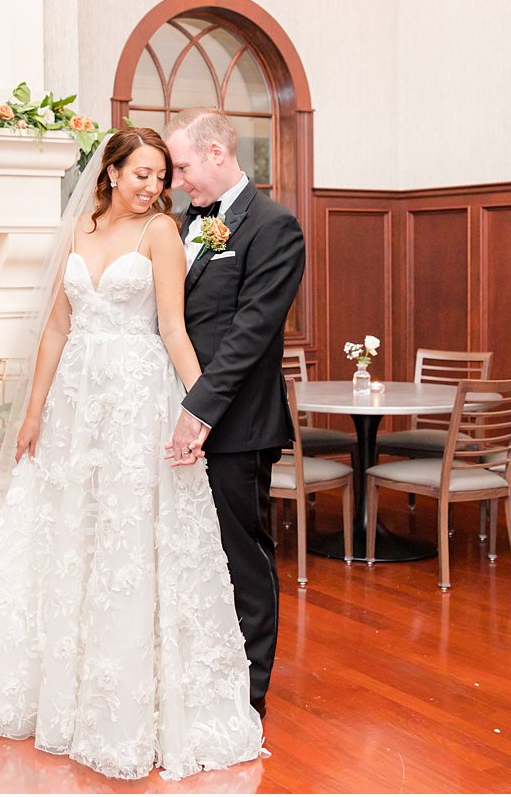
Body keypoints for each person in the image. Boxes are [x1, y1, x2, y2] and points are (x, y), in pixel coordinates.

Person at [0, 127, 263, 781]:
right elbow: (55, 328)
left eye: (161, 176)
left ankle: (118, 697)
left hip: (134, 397)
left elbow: (176, 329)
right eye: (141, 174)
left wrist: (199, 407)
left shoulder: (158, 232)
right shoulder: (78, 230)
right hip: (75, 401)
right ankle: (55, 684)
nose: (153, 186)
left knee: (126, 534)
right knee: (67, 530)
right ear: (111, 172)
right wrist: (34, 410)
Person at [163, 107, 306, 720]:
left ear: (217, 154)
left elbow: (249, 334)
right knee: (188, 553)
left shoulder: (274, 227)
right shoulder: (182, 224)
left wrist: (199, 412)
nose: (177, 181)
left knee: (240, 555)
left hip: (237, 425)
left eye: (184, 166)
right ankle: (196, 676)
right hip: (173, 420)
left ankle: (249, 695)